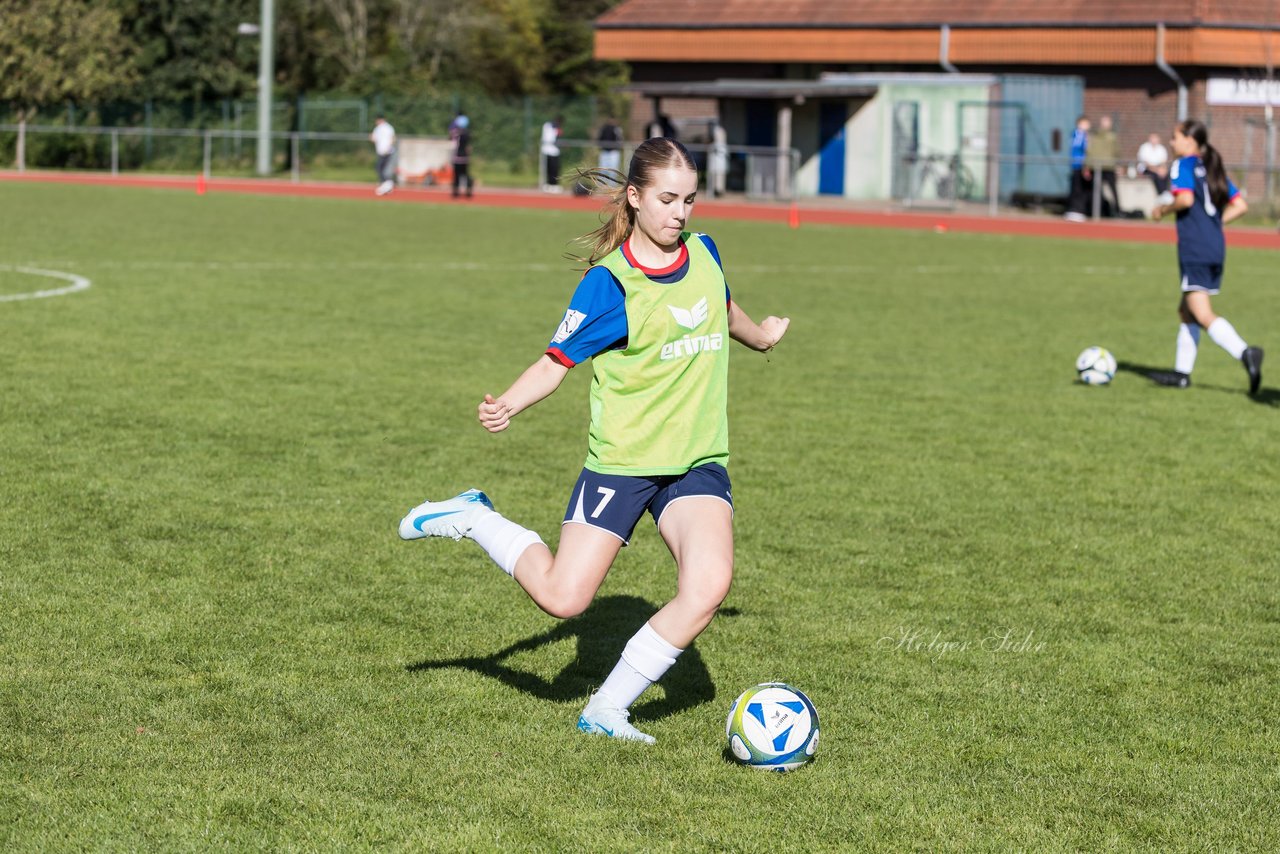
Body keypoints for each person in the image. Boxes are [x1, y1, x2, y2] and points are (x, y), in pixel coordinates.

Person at [398, 137, 791, 744]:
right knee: (563, 600)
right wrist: (507, 402)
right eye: (666, 199)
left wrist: (760, 337)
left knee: (708, 587)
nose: (679, 214)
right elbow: (555, 362)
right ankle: (473, 517)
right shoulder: (610, 285)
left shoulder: (706, 252)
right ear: (634, 198)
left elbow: (719, 303)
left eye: (689, 200)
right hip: (625, 463)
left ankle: (606, 710)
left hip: (696, 461)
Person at [1149, 119, 1263, 394]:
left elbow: (1185, 199)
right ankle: (1181, 374)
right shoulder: (1212, 166)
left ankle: (1245, 352)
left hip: (1195, 246)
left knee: (1201, 312)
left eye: (1175, 138)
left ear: (1190, 141)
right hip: (1214, 244)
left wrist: (1162, 210)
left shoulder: (1183, 165)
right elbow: (1241, 205)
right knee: (1185, 309)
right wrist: (1214, 224)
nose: (1171, 143)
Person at [1085, 114, 1120, 217]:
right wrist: (1087, 165)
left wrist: (1118, 164)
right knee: (1095, 191)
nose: (1106, 124)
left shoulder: (1112, 136)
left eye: (1108, 122)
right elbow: (1090, 150)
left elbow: (1116, 152)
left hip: (1109, 167)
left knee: (1113, 190)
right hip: (1095, 167)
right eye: (1104, 122)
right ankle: (1096, 211)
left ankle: (1117, 211)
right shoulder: (1094, 136)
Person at [1063, 115, 1090, 221]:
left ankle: (1078, 210)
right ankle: (1075, 210)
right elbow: (1080, 147)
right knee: (1077, 188)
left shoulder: (1082, 134)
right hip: (1078, 165)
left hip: (1082, 165)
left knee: (1081, 189)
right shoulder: (1078, 134)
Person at [370, 114, 396, 196]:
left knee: (380, 168)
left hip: (386, 151)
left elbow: (392, 138)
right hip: (382, 151)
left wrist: (388, 147)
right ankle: (386, 185)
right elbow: (373, 138)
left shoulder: (387, 127)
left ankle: (388, 184)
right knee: (380, 168)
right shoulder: (378, 128)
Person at [452, 115, 472, 198]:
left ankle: (455, 192)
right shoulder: (468, 134)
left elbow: (453, 144)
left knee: (457, 175)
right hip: (465, 158)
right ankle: (468, 191)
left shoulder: (456, 134)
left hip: (457, 157)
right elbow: (469, 148)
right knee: (465, 174)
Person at [541, 115, 563, 192]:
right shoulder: (549, 126)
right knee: (550, 169)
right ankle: (550, 185)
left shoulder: (555, 127)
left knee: (554, 169)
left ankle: (554, 185)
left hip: (553, 151)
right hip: (549, 151)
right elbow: (551, 139)